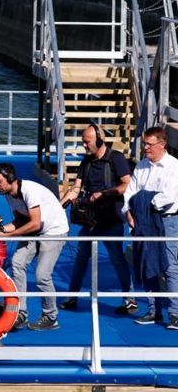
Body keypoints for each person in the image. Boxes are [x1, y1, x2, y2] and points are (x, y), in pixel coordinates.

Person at [58, 124, 135, 314]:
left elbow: (127, 184)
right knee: (80, 259)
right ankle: (72, 297)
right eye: (83, 142)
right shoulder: (86, 162)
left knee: (118, 259)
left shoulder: (116, 159)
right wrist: (59, 206)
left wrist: (105, 193)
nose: (84, 145)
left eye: (87, 142)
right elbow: (76, 187)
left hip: (112, 220)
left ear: (99, 140)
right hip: (90, 221)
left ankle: (129, 299)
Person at [0, 163, 70, 331]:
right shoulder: (9, 194)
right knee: (17, 263)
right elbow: (20, 220)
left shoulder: (29, 191)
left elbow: (35, 222)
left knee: (42, 275)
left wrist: (9, 235)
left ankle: (50, 316)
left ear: (10, 178)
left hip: (54, 231)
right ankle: (20, 312)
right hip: (36, 228)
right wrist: (1, 229)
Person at [122, 126, 178, 329]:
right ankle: (154, 311)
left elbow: (167, 198)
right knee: (147, 264)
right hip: (142, 222)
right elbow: (130, 193)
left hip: (167, 221)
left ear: (162, 145)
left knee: (169, 267)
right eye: (144, 143)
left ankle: (175, 313)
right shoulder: (142, 166)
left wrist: (142, 202)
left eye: (149, 144)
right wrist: (129, 210)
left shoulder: (174, 167)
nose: (145, 148)